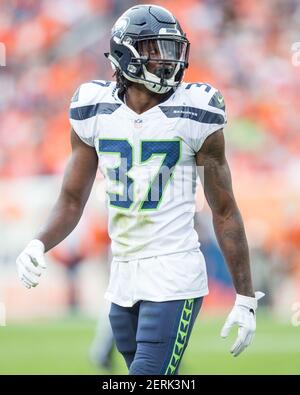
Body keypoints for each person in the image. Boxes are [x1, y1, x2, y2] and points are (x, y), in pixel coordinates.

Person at [16, 4, 263, 375]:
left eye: (172, 48)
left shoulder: (195, 111)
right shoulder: (93, 108)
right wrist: (39, 242)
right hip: (122, 274)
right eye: (154, 49)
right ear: (125, 54)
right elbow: (71, 199)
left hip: (174, 270)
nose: (168, 59)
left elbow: (224, 210)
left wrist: (245, 297)